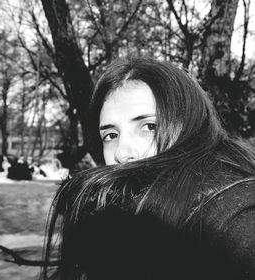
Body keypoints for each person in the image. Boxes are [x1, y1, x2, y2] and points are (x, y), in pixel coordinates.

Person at [42, 56, 255, 280]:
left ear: (191, 129)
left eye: (149, 126)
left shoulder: (229, 215)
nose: (122, 152)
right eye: (111, 135)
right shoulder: (106, 224)